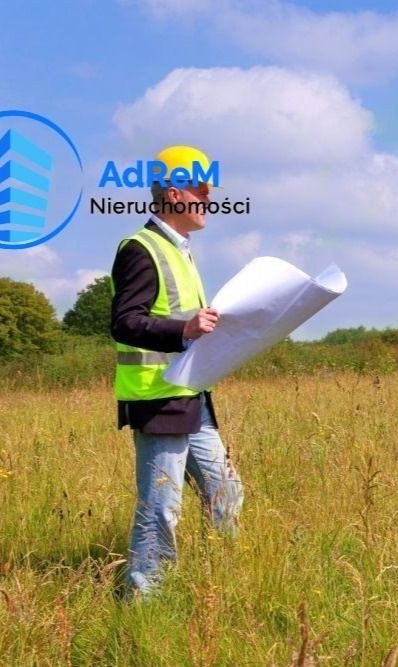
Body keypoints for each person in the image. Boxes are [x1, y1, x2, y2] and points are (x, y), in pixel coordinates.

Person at [110, 144, 244, 596]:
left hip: (192, 397)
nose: (209, 196)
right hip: (158, 397)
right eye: (200, 187)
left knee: (227, 493)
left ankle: (223, 584)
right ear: (172, 192)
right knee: (161, 508)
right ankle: (142, 602)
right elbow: (125, 321)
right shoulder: (140, 247)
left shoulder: (181, 250)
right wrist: (183, 328)